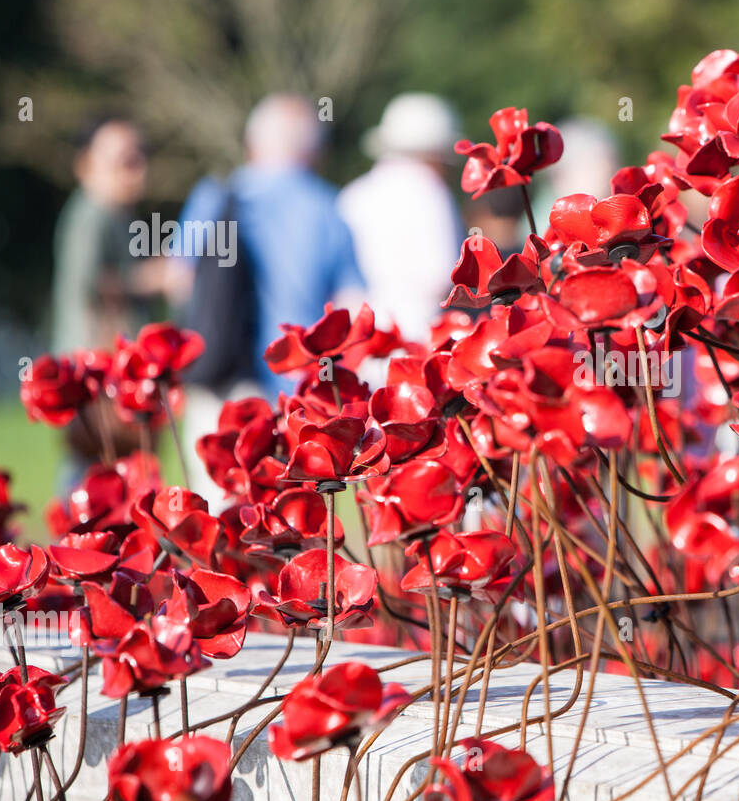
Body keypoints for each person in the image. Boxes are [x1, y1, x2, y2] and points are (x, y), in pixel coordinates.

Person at [174, 93, 366, 503]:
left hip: (221, 381)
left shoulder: (216, 197)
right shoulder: (328, 207)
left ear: (252, 144)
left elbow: (180, 279)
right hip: (299, 396)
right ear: (313, 150)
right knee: (295, 529)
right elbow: (351, 304)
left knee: (219, 523)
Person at [338, 93, 464, 342]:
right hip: (418, 336)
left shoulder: (353, 194)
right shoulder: (431, 192)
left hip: (358, 337)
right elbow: (445, 273)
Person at [51, 115, 158, 353]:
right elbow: (88, 283)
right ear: (86, 165)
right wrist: (151, 278)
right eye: (126, 161)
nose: (140, 170)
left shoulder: (117, 213)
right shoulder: (90, 215)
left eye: (141, 157)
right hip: (93, 368)